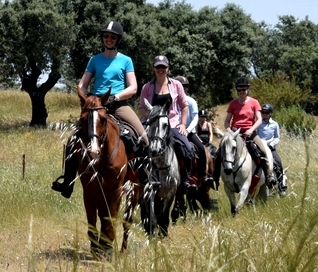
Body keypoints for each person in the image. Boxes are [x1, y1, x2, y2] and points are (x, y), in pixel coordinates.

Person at [52, 20, 148, 198]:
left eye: (112, 37)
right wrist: (86, 98)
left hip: (118, 105)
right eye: (106, 36)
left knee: (144, 138)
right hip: (96, 106)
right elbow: (83, 84)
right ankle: (67, 182)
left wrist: (115, 97)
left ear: (118, 39)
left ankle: (144, 178)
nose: (109, 39)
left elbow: (133, 87)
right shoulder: (94, 60)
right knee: (73, 140)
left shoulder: (126, 60)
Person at [138, 56, 195, 191]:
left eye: (163, 67)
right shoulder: (147, 87)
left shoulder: (176, 85)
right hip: (151, 124)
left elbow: (184, 106)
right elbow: (141, 107)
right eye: (158, 67)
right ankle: (140, 180)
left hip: (173, 124)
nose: (161, 69)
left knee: (187, 149)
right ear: (154, 68)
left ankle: (185, 181)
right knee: (137, 148)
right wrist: (152, 117)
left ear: (168, 68)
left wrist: (182, 124)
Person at [213, 77, 276, 189]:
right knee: (219, 152)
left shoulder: (254, 102)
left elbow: (259, 119)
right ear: (237, 90)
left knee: (263, 151)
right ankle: (215, 177)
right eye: (240, 89)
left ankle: (269, 176)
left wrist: (251, 130)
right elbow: (227, 121)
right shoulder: (233, 103)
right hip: (234, 132)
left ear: (248, 89)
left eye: (244, 89)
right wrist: (228, 130)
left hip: (249, 132)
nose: (242, 92)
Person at [173, 75, 211, 185]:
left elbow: (195, 118)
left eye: (185, 86)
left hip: (189, 133)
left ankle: (204, 174)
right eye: (181, 86)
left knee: (201, 149)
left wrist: (188, 130)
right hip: (174, 132)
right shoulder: (171, 101)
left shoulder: (191, 101)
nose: (183, 88)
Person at [257, 103, 287, 193]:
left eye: (266, 113)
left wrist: (272, 144)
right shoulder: (258, 123)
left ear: (270, 113)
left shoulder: (275, 124)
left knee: (278, 162)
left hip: (270, 147)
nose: (264, 114)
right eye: (262, 112)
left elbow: (277, 137)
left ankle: (281, 183)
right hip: (259, 146)